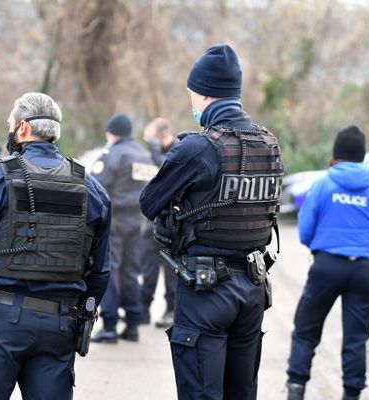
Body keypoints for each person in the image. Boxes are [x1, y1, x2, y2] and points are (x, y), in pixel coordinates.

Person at [140, 44, 284, 399]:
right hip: (252, 287)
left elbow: (149, 202)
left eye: (192, 94)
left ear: (204, 95)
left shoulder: (198, 148)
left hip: (206, 288)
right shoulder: (269, 143)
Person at [0, 92, 111, 399]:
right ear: (55, 132)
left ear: (22, 128)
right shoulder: (91, 188)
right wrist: (77, 313)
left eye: (10, 124)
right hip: (60, 324)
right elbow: (100, 270)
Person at [285, 126, 369, 400]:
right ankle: (351, 394)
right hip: (365, 269)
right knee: (356, 338)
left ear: (335, 155)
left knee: (306, 330)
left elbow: (305, 230)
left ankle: (296, 388)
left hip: (327, 266)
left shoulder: (322, 185)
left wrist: (323, 249)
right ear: (362, 157)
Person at [90, 113, 156, 343]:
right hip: (137, 220)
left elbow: (94, 187)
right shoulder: (145, 156)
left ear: (113, 133)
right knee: (130, 270)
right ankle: (133, 323)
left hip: (114, 219)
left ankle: (109, 325)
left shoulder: (112, 155)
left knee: (111, 268)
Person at [139, 117, 178, 327]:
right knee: (147, 268)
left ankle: (171, 311)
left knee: (171, 271)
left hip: (170, 224)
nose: (146, 137)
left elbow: (166, 169)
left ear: (160, 135)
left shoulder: (177, 150)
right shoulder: (149, 155)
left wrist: (154, 150)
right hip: (150, 222)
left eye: (149, 133)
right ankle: (142, 309)